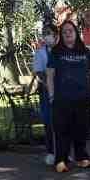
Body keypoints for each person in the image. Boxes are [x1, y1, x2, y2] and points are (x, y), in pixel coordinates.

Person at [46, 19, 90, 173]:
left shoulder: (85, 52)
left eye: (71, 30)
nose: (68, 33)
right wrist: (51, 96)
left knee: (81, 129)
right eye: (65, 31)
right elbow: (50, 75)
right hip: (62, 100)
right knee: (62, 130)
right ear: (61, 35)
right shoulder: (56, 52)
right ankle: (61, 160)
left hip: (83, 98)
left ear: (76, 33)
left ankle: (81, 158)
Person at [31, 24, 57, 166]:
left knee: (63, 122)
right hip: (46, 92)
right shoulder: (40, 53)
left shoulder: (61, 51)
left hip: (62, 92)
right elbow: (39, 73)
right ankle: (51, 152)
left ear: (56, 35)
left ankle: (63, 152)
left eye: (49, 33)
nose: (46, 36)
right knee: (49, 122)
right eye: (44, 33)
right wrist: (49, 86)